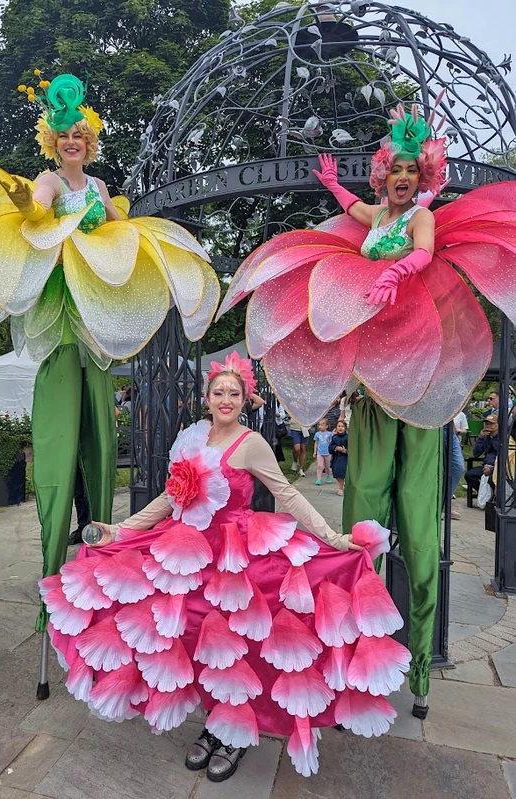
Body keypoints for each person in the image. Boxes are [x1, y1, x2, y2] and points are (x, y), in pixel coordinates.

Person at [216, 100, 516, 719]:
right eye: (395, 168)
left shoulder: (422, 219)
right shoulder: (376, 214)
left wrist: (396, 271)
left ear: (425, 175)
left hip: (425, 391)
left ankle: (422, 673)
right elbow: (355, 211)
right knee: (362, 529)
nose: (403, 177)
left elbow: (427, 254)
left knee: (420, 528)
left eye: (413, 168)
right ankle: (356, 663)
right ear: (383, 173)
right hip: (376, 394)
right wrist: (330, 182)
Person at [0, 71, 218, 631]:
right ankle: (53, 585)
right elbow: (37, 209)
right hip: (60, 324)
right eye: (63, 135)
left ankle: (99, 579)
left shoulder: (99, 188)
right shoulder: (50, 181)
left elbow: (123, 231)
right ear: (53, 142)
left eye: (79, 133)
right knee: (57, 457)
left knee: (102, 450)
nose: (71, 141)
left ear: (90, 139)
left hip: (96, 330)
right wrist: (27, 203)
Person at [41, 353, 410, 781]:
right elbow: (168, 500)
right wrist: (120, 530)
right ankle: (216, 721)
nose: (226, 399)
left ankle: (235, 733)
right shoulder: (192, 438)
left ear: (245, 398)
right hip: (187, 555)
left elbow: (286, 494)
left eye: (234, 393)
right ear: (207, 397)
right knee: (196, 636)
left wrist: (331, 537)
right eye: (219, 392)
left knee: (241, 644)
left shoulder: (251, 443)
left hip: (236, 558)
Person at [465, 414, 499, 498]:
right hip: (485, 466)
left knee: (493, 479)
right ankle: (484, 494)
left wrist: (492, 468)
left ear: (497, 425)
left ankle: (492, 497)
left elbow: (499, 451)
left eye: (491, 424)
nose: (488, 426)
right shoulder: (485, 437)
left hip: (498, 467)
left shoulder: (503, 437)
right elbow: (476, 454)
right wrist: (480, 438)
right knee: (469, 475)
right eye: (486, 424)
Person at [330, 420, 348, 496]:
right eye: (339, 426)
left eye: (342, 426)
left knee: (342, 472)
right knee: (336, 472)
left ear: (345, 428)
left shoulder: (348, 437)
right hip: (336, 458)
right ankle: (342, 484)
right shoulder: (334, 437)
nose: (340, 428)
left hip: (345, 458)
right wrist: (336, 448)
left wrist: (345, 451)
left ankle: (341, 488)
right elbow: (330, 448)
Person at [313, 419, 333, 485]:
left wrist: (332, 451)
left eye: (322, 425)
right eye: (319, 425)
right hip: (320, 453)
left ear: (326, 426)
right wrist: (315, 452)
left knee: (327, 466)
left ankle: (328, 476)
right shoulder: (317, 434)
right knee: (319, 465)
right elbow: (316, 443)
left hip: (327, 453)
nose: (320, 426)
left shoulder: (330, 434)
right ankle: (319, 479)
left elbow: (331, 443)